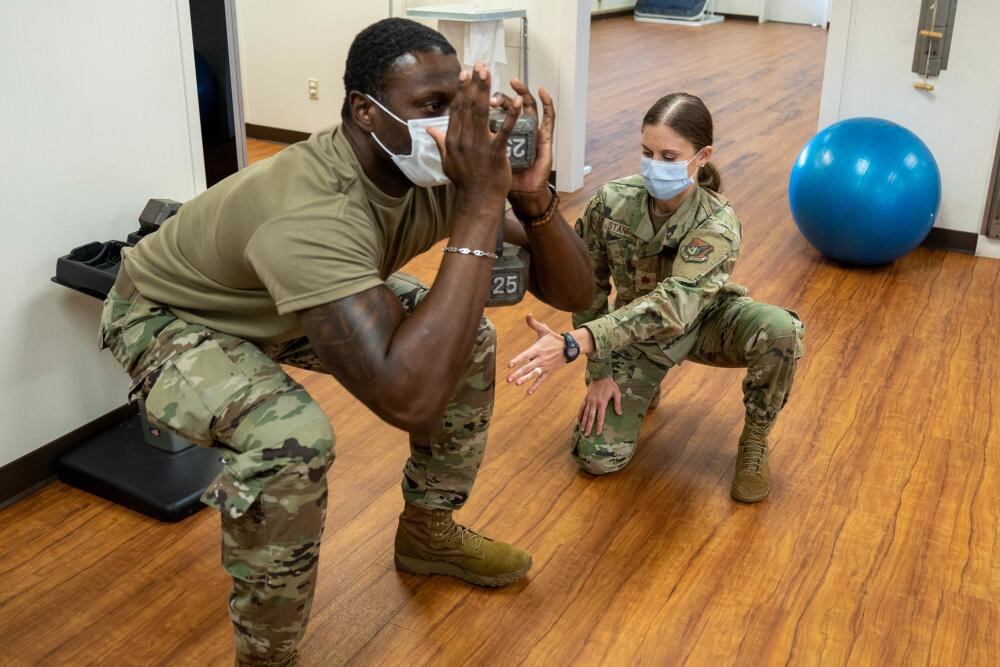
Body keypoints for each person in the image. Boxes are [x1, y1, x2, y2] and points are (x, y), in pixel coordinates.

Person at [98, 18, 593, 667]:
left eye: (459, 103)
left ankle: (428, 532)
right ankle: (267, 656)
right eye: (431, 107)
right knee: (289, 439)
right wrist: (477, 207)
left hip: (284, 297)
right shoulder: (314, 208)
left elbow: (574, 290)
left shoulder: (429, 170)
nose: (453, 126)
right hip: (172, 314)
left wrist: (532, 200)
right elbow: (407, 400)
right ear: (366, 110)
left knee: (466, 335)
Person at [505, 92, 804, 504]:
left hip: (706, 323)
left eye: (668, 156)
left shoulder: (716, 223)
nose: (654, 166)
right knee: (597, 458)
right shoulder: (611, 201)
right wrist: (600, 371)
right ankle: (644, 383)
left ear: (702, 157)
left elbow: (675, 306)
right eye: (646, 152)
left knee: (782, 330)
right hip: (634, 337)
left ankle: (755, 439)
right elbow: (587, 286)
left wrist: (577, 344)